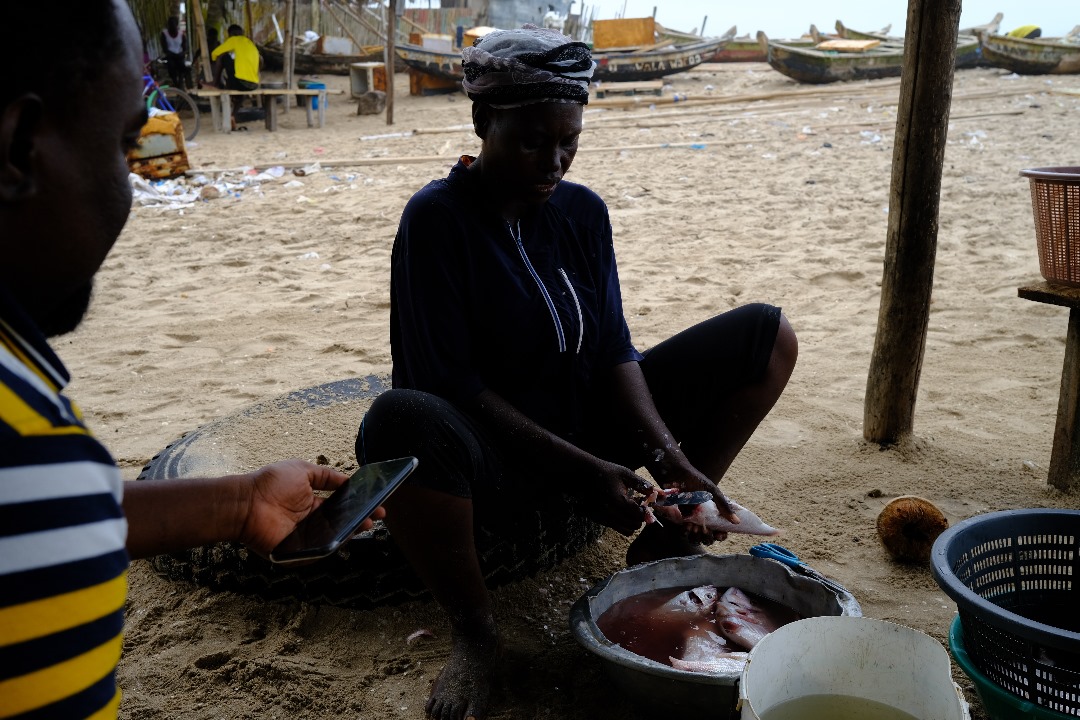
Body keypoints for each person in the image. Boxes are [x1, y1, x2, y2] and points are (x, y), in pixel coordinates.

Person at [356, 25, 797, 720]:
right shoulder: (436, 220)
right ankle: (476, 635)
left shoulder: (582, 213)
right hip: (490, 463)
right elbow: (451, 384)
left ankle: (664, 537)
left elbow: (615, 349)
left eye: (569, 142)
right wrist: (587, 472)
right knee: (398, 418)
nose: (553, 161)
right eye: (533, 141)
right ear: (483, 121)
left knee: (767, 336)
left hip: (586, 435)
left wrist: (669, 460)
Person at [0, 3, 385, 718]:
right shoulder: (26, 451)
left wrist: (237, 505)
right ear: (20, 150)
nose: (129, 187)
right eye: (124, 146)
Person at [211, 23, 261, 92]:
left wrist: (214, 62)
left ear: (231, 34)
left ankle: (215, 83)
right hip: (254, 85)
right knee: (235, 64)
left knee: (223, 56)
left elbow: (215, 53)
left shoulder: (234, 40)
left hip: (241, 84)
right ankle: (230, 87)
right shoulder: (250, 43)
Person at [160, 15, 188, 88]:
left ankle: (180, 83)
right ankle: (175, 82)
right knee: (171, 65)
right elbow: (164, 48)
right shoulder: (164, 34)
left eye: (173, 25)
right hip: (170, 55)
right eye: (170, 25)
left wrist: (182, 53)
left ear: (176, 25)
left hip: (179, 55)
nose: (172, 27)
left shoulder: (181, 34)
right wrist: (171, 54)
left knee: (182, 65)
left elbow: (185, 48)